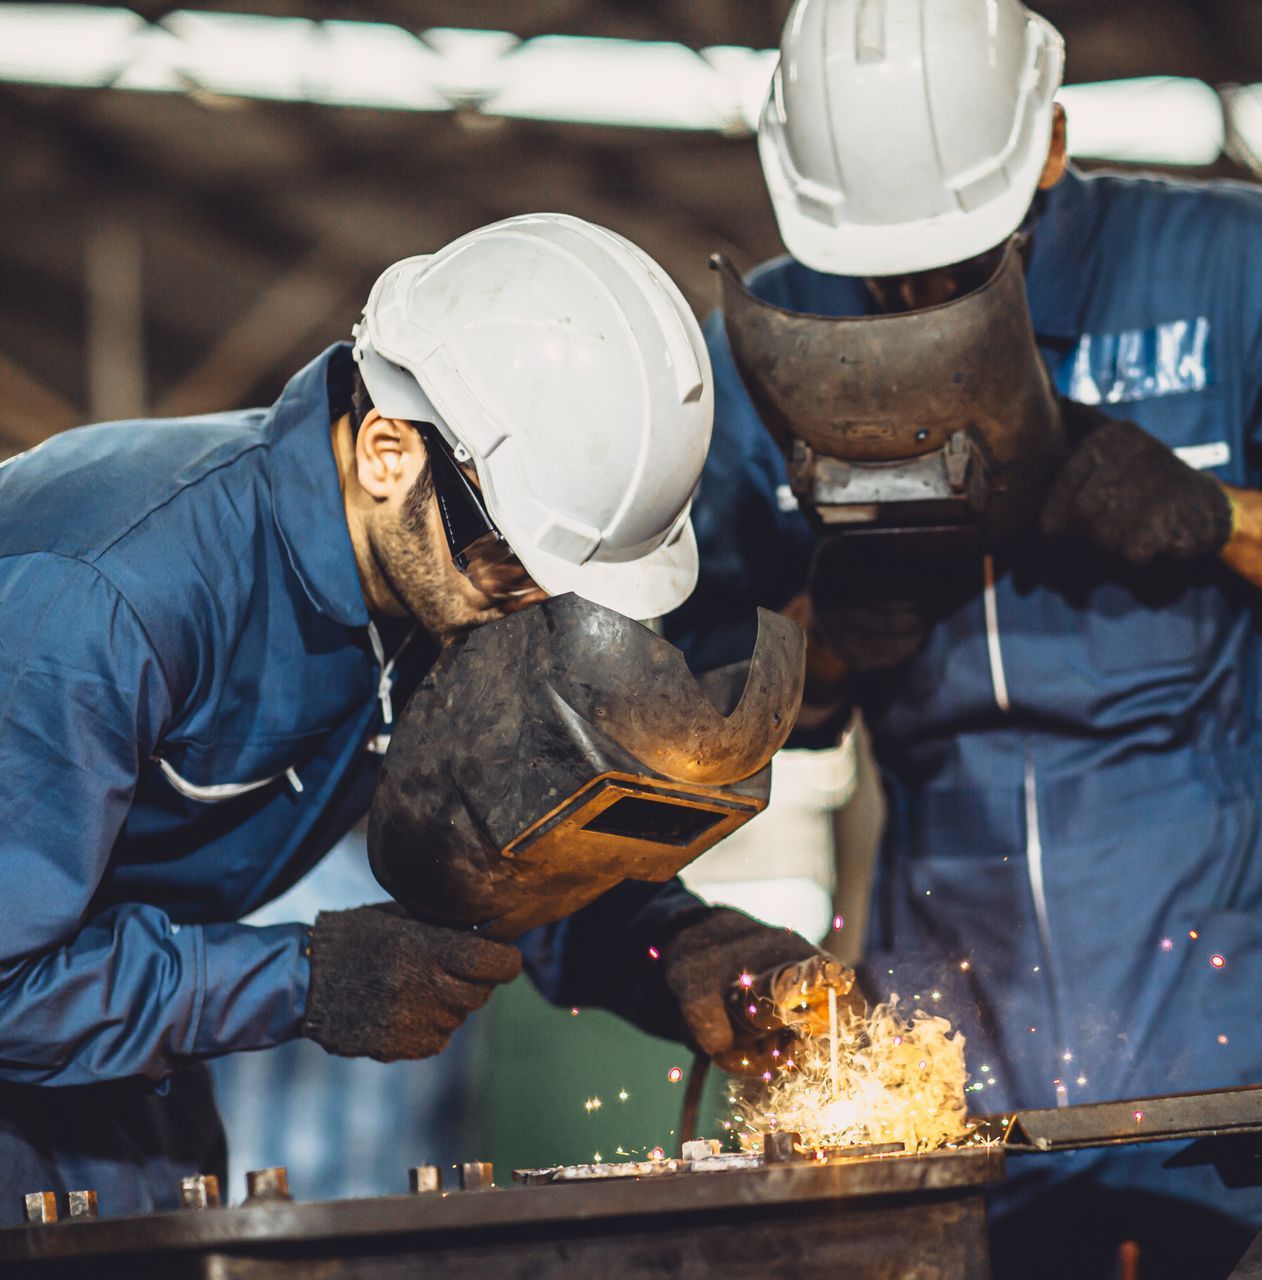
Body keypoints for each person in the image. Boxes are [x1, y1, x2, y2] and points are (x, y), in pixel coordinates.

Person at [667, 2, 1262, 1276]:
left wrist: (1221, 520)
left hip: (1240, 1007)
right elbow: (684, 693)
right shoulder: (773, 346)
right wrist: (822, 642)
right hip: (951, 1026)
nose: (915, 296)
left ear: (1048, 139)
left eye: (955, 255)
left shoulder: (1243, 273)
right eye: (880, 266)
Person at [0, 212, 831, 1214]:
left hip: (114, 1095)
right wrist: (307, 977)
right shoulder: (104, 595)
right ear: (388, 449)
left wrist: (672, 947)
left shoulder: (445, 580)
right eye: (513, 562)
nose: (528, 609)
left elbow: (498, 855)